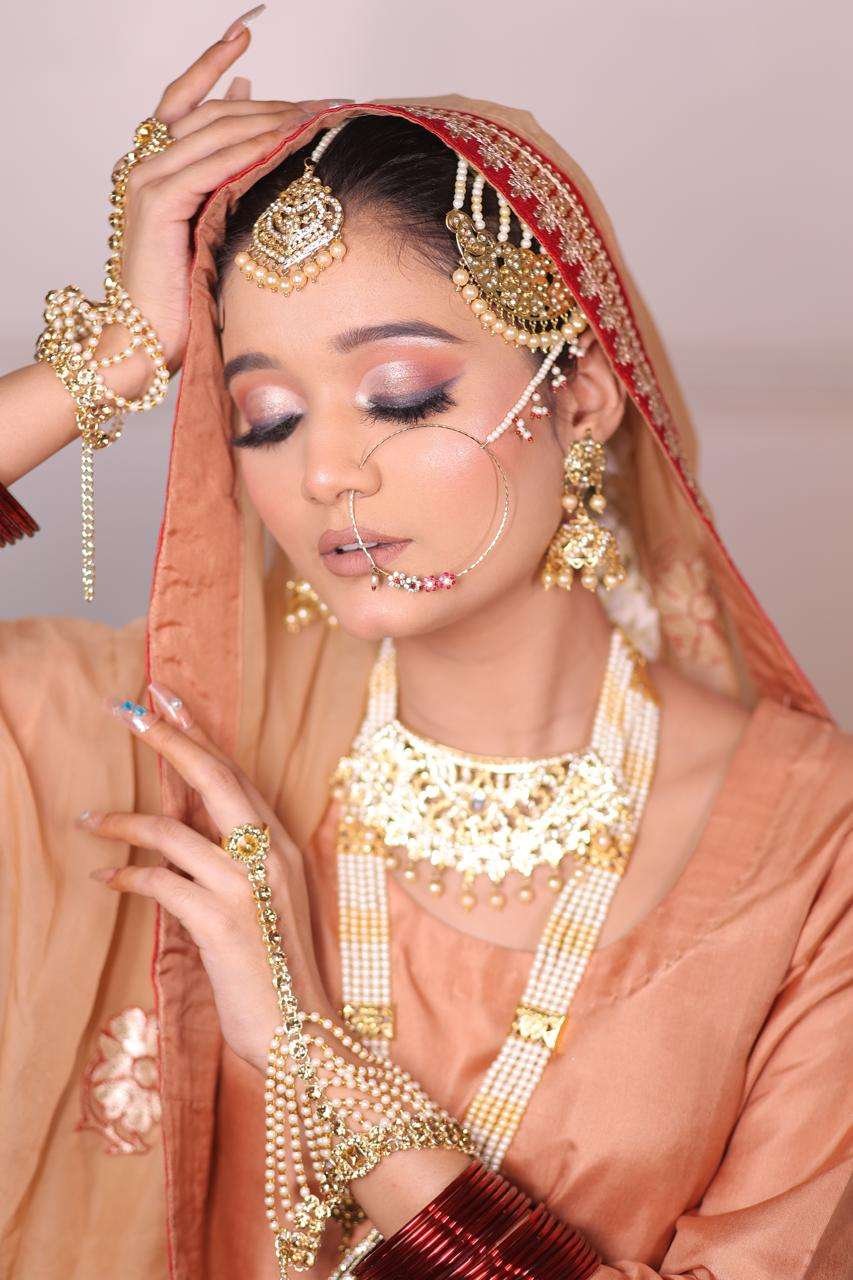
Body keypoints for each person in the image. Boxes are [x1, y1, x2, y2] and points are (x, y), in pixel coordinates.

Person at [1, 12, 851, 1280]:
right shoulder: (172, 745)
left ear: (577, 397)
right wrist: (115, 355)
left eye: (400, 396)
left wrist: (308, 1049)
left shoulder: (813, 844)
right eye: (264, 417)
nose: (327, 472)